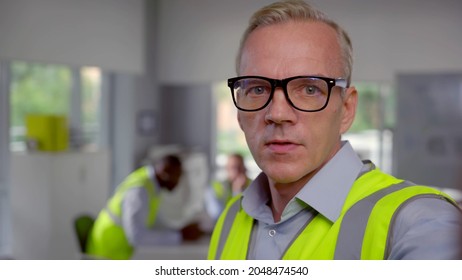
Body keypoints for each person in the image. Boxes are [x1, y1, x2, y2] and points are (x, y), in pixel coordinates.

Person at [208, 0, 462, 260]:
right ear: (239, 112)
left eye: (309, 89)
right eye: (258, 89)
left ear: (347, 109)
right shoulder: (230, 219)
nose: (278, 114)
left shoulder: (420, 223)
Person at [87, 154, 202, 260]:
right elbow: (137, 238)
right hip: (107, 255)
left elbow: (155, 221)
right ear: (164, 173)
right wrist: (179, 236)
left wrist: (179, 230)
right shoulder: (139, 192)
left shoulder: (151, 185)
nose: (179, 182)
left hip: (122, 251)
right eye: (177, 176)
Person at [205, 153, 252, 221]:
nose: (237, 171)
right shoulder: (215, 188)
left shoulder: (254, 185)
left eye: (240, 167)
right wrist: (237, 192)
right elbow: (217, 215)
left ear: (245, 169)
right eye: (233, 167)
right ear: (226, 169)